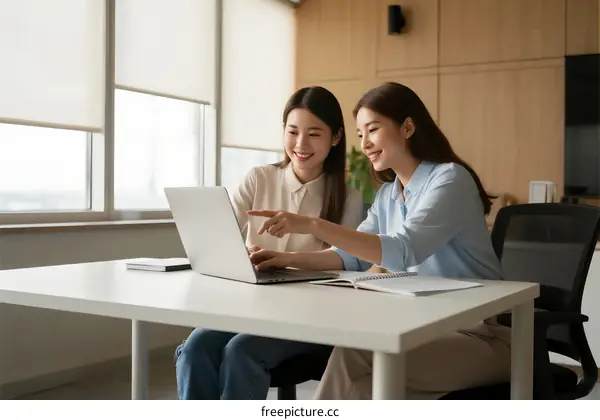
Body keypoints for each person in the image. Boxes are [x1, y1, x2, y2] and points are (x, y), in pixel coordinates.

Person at [248, 82, 512, 400]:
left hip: (481, 336)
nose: (365, 144)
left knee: (361, 364)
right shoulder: (389, 194)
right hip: (426, 327)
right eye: (360, 135)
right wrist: (283, 259)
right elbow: (348, 256)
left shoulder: (450, 179)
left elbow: (403, 249)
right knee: (358, 383)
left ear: (408, 127)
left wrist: (312, 225)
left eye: (372, 130)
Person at [174, 86, 364, 400]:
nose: (301, 145)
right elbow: (221, 237)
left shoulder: (349, 197)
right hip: (248, 307)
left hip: (312, 316)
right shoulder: (259, 178)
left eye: (314, 134)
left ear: (336, 137)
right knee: (196, 349)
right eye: (293, 132)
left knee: (241, 351)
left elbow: (348, 262)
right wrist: (238, 253)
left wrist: (281, 258)